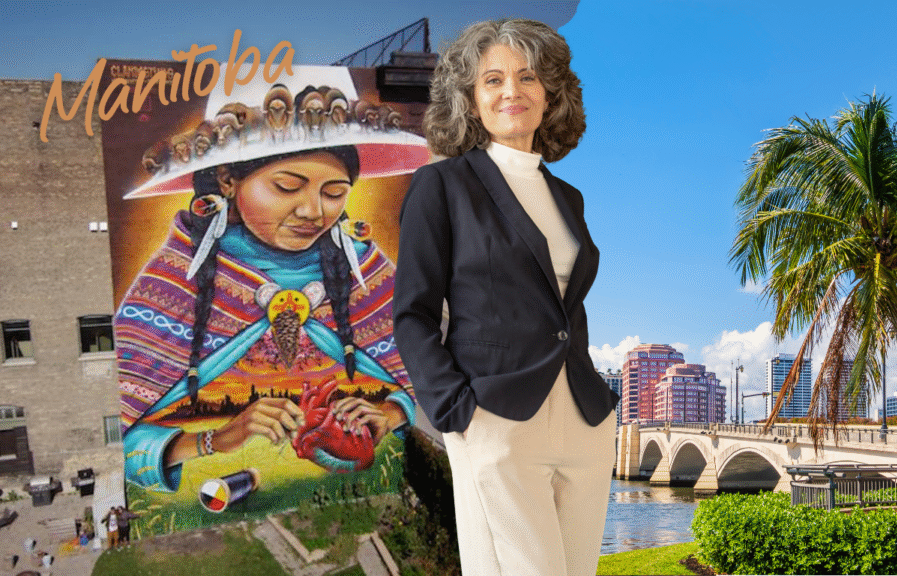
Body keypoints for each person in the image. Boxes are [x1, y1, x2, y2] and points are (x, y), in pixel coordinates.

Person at [115, 73, 422, 495]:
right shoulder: (173, 283)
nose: (313, 212)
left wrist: (389, 413)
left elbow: (416, 380)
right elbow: (130, 446)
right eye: (286, 186)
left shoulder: (366, 270)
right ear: (227, 180)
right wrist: (217, 438)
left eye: (334, 192)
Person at [393, 19, 618, 576]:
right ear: (470, 99)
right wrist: (457, 412)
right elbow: (413, 313)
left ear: (551, 95)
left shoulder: (569, 198)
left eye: (527, 77)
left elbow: (563, 307)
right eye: (492, 79)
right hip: (497, 417)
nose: (511, 91)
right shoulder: (441, 186)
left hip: (584, 420)